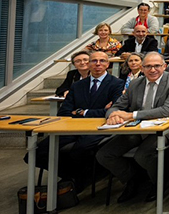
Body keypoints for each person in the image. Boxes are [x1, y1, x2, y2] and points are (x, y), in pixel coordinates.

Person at [97, 52, 169, 203]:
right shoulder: (134, 84)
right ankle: (132, 179)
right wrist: (113, 115)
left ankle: (158, 183)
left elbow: (166, 110)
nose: (152, 70)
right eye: (148, 66)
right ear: (142, 68)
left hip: (167, 129)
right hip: (137, 129)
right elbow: (116, 106)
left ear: (164, 66)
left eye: (157, 66)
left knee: (142, 155)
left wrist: (131, 115)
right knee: (104, 154)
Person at [29, 52, 124, 191]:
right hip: (73, 127)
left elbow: (114, 111)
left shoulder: (117, 84)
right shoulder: (77, 85)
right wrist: (98, 111)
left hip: (99, 128)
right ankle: (72, 178)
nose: (98, 64)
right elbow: (64, 112)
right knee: (36, 152)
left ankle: (77, 181)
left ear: (108, 64)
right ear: (89, 64)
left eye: (102, 61)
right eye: (94, 61)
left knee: (80, 150)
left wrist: (81, 112)